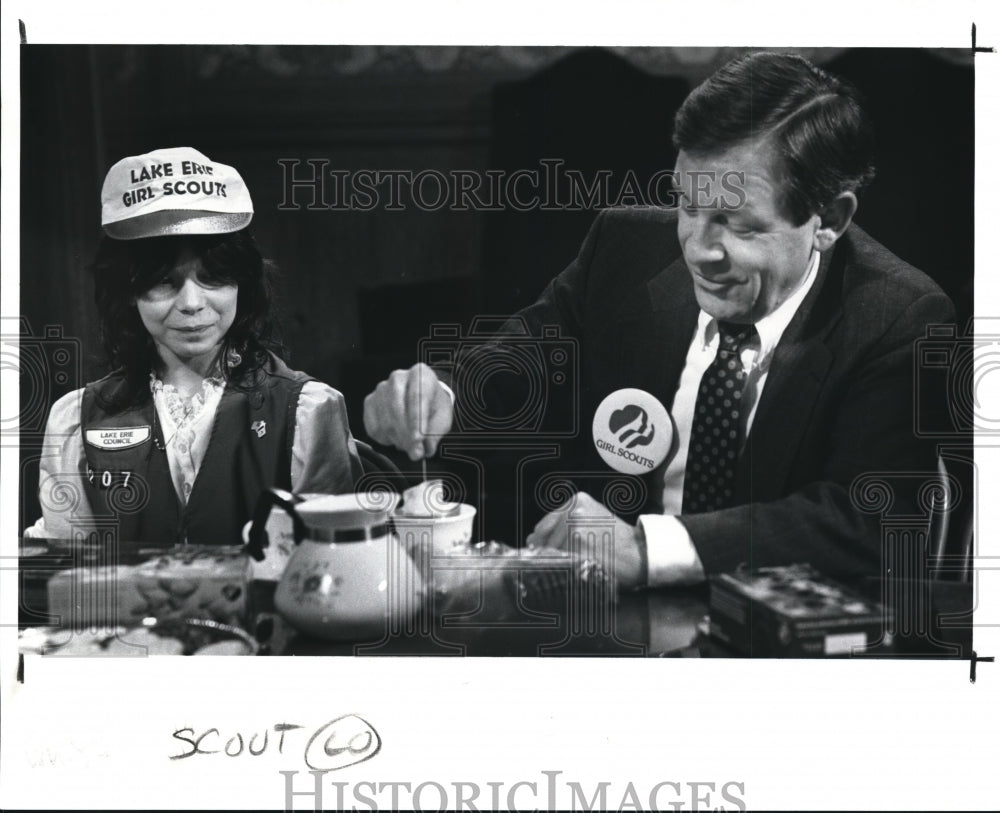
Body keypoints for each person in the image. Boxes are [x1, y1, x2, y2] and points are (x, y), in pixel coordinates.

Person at [363, 52, 955, 588]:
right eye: (686, 204)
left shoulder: (898, 317)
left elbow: (865, 522)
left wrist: (649, 547)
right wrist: (441, 394)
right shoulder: (625, 249)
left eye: (737, 223)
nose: (698, 249)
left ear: (828, 218)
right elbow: (521, 362)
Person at [25, 146, 363, 547]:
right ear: (128, 292)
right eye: (164, 281)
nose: (191, 303)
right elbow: (72, 573)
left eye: (213, 277)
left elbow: (333, 565)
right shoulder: (77, 418)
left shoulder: (308, 411)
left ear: (243, 284)